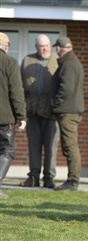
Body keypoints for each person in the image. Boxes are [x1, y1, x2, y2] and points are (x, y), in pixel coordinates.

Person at [19, 34, 60, 189]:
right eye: (41, 46)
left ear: (50, 46)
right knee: (34, 145)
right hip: (32, 111)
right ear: (36, 46)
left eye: (47, 46)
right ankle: (33, 177)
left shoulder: (57, 61)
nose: (44, 49)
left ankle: (49, 178)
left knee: (51, 146)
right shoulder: (27, 60)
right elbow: (20, 86)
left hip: (51, 112)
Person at [50, 36, 85, 191]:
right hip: (70, 110)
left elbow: (66, 88)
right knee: (70, 145)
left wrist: (54, 104)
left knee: (70, 146)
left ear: (58, 48)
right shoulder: (72, 61)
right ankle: (72, 179)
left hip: (67, 111)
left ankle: (72, 181)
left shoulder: (68, 64)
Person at [0, 32, 27, 198]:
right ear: (5, 46)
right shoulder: (9, 62)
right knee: (7, 150)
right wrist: (21, 116)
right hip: (4, 118)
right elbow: (16, 92)